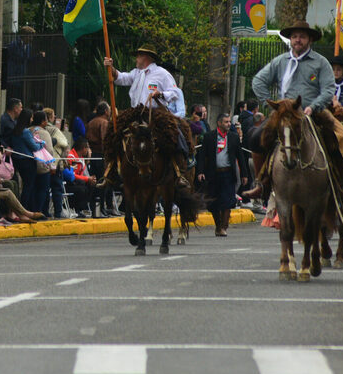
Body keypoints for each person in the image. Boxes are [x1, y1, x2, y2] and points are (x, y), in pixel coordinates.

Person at [249, 20, 343, 198]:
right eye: (294, 37)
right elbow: (258, 81)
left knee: (341, 140)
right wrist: (270, 104)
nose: (298, 40)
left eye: (302, 37)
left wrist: (313, 106)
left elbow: (328, 89)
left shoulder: (320, 62)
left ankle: (339, 184)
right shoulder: (281, 61)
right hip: (285, 114)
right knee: (256, 137)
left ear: (310, 40)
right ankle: (261, 183)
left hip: (313, 111)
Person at [100, 45, 189, 188]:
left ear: (147, 57)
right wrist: (112, 68)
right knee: (113, 131)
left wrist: (160, 94)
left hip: (154, 113)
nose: (136, 58)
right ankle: (110, 172)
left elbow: (175, 92)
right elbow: (121, 78)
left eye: (138, 56)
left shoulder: (162, 73)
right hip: (135, 112)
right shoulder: (137, 72)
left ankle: (179, 172)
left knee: (173, 132)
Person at [197, 112, 242, 237]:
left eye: (229, 122)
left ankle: (224, 226)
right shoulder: (209, 137)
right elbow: (202, 156)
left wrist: (244, 174)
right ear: (219, 123)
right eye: (226, 122)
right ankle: (218, 225)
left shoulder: (233, 137)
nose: (228, 124)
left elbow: (240, 156)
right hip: (213, 174)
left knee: (228, 201)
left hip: (228, 173)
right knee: (214, 202)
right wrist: (200, 172)